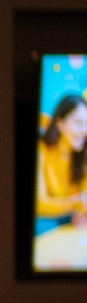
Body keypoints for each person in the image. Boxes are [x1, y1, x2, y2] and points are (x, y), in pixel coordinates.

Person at [36, 92, 87, 233]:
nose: (85, 131)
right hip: (46, 218)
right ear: (60, 123)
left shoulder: (82, 155)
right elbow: (38, 204)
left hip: (68, 216)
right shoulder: (41, 150)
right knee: (42, 226)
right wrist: (76, 204)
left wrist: (82, 212)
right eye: (78, 123)